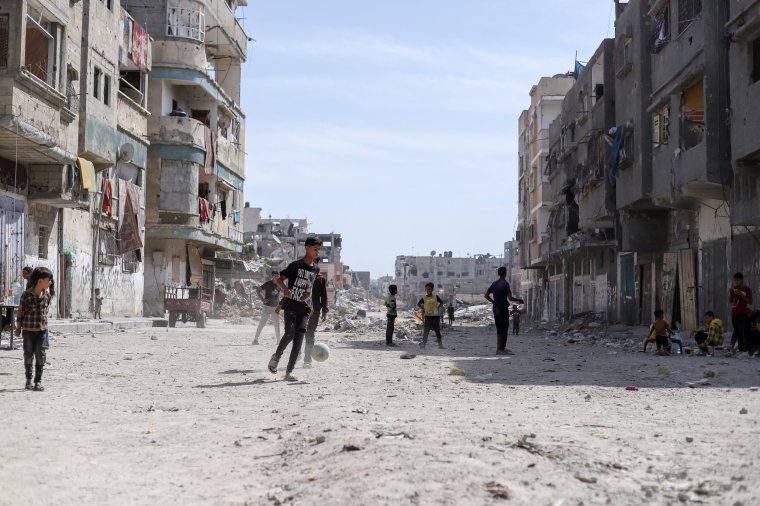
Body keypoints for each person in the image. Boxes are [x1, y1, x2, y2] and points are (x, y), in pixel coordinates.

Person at [267, 237, 321, 381]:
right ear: (307, 248)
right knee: (290, 333)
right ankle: (277, 356)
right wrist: (284, 289)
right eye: (315, 249)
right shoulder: (296, 265)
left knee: (299, 338)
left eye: (319, 249)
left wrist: (312, 304)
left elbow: (310, 288)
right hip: (291, 305)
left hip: (304, 307)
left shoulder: (316, 269)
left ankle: (288, 372)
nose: (317, 252)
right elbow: (279, 279)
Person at [15, 267, 54, 391]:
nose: (50, 283)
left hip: (42, 331)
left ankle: (38, 381)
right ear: (40, 281)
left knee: (41, 355)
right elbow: (21, 312)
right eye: (49, 280)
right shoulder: (26, 295)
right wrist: (18, 328)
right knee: (28, 354)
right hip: (28, 330)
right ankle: (28, 380)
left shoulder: (46, 295)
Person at [485, 266, 524, 355]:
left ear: (499, 273)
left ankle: (498, 349)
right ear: (505, 273)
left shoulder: (494, 284)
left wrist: (493, 302)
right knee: (504, 330)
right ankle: (502, 349)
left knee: (499, 330)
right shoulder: (505, 284)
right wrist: (519, 300)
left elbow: (486, 295)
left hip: (496, 309)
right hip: (503, 309)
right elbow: (510, 298)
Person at [303, 270, 328, 367]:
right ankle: (297, 356)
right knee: (300, 333)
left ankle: (307, 360)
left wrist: (324, 311)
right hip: (302, 309)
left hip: (315, 311)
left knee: (309, 334)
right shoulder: (302, 277)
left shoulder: (320, 279)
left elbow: (324, 296)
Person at [253, 272, 282, 345]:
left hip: (275, 307)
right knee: (262, 323)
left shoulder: (280, 284)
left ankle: (278, 341)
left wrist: (280, 305)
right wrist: (262, 299)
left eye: (278, 276)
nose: (277, 278)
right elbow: (258, 290)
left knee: (277, 324)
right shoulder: (268, 284)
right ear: (272, 277)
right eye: (275, 276)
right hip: (267, 306)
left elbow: (283, 293)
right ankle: (255, 339)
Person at [729, 272, 753, 354]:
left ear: (742, 280)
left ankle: (744, 351)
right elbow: (731, 301)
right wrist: (731, 292)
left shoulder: (747, 290)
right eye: (735, 280)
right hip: (734, 313)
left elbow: (750, 302)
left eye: (738, 280)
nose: (736, 282)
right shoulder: (734, 289)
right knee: (737, 332)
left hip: (742, 314)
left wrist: (742, 295)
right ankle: (740, 350)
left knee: (742, 332)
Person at [417, 282, 444, 349]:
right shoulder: (424, 298)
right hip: (428, 317)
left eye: (429, 289)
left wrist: (438, 307)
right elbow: (418, 304)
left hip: (435, 316)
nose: (428, 290)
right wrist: (423, 308)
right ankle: (423, 344)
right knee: (426, 331)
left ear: (432, 289)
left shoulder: (435, 297)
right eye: (427, 289)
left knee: (437, 331)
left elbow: (441, 302)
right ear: (425, 290)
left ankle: (440, 345)